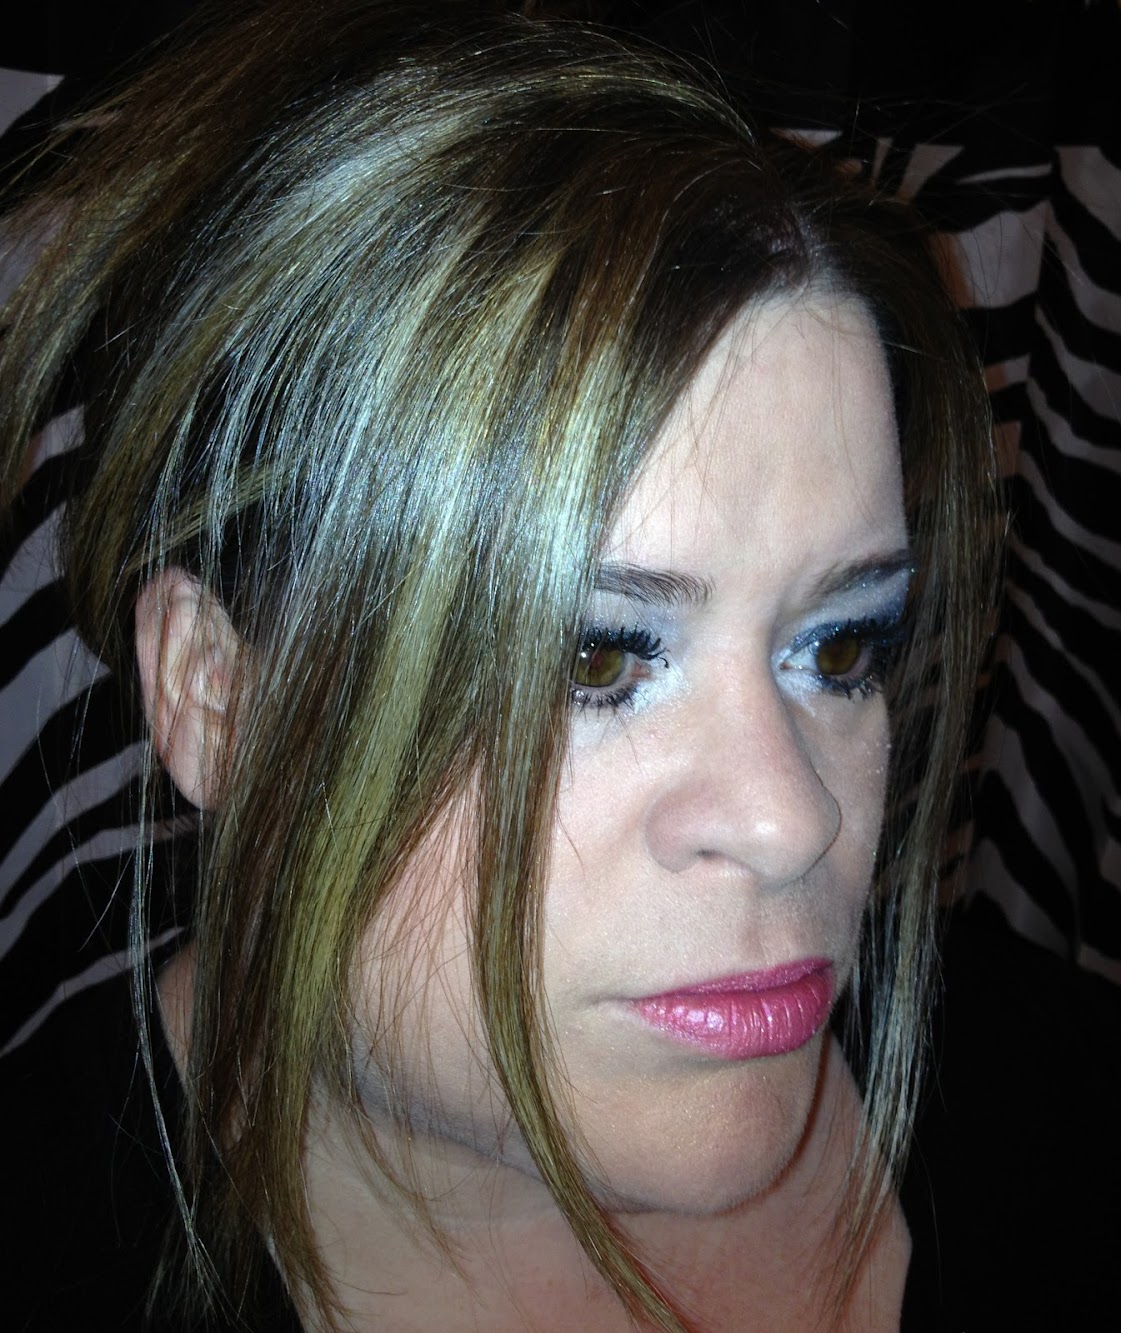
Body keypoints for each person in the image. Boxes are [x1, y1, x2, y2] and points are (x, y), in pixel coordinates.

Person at [0, 2, 997, 1329]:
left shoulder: (1054, 1105)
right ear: (214, 694)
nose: (791, 819)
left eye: (839, 646)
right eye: (596, 657)